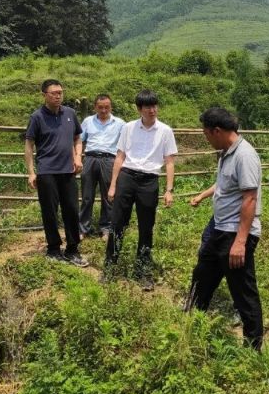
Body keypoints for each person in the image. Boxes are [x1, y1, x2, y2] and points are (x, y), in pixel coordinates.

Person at [188, 107, 264, 350]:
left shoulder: (245, 155)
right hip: (220, 229)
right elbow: (224, 186)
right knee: (202, 276)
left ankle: (252, 348)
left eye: (206, 134)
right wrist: (203, 196)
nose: (206, 139)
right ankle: (192, 325)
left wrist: (240, 242)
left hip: (235, 233)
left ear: (217, 131)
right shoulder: (226, 153)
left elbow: (250, 198)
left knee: (243, 291)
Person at [105, 89, 177, 290]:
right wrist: (113, 185)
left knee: (146, 227)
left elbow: (169, 161)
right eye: (147, 107)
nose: (152, 110)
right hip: (127, 177)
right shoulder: (128, 128)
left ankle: (142, 271)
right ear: (139, 109)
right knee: (117, 223)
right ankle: (109, 267)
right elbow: (120, 156)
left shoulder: (165, 131)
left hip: (149, 181)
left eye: (154, 106)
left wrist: (169, 190)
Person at [24, 79, 88, 267]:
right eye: (54, 93)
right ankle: (53, 248)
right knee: (50, 211)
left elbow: (77, 138)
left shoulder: (70, 113)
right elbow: (29, 145)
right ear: (44, 95)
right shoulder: (37, 117)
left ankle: (72, 249)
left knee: (72, 210)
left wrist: (78, 157)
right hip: (46, 171)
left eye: (60, 92)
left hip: (68, 171)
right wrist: (31, 172)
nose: (58, 96)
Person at [79, 94, 125, 240]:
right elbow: (79, 140)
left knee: (108, 196)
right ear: (95, 107)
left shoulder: (120, 124)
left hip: (109, 160)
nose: (104, 110)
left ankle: (106, 228)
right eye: (100, 107)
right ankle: (83, 228)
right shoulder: (88, 121)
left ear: (111, 107)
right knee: (87, 196)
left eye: (107, 107)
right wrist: (77, 158)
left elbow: (125, 145)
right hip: (90, 158)